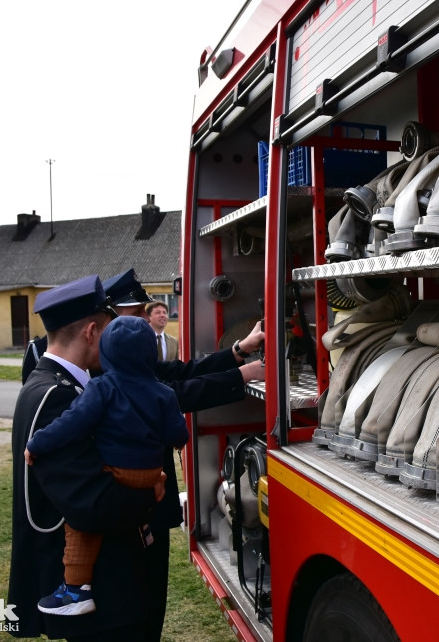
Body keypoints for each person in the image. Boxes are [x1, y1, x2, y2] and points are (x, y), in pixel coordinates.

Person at [103, 267, 265, 640]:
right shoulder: (109, 370)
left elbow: (180, 370)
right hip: (135, 506)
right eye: (138, 313)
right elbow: (175, 394)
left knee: (150, 598)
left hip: (147, 505)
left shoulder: (122, 358)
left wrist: (239, 351)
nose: (146, 319)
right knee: (139, 603)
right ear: (112, 315)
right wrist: (244, 374)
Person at [8, 275, 165, 641]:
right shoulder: (56, 395)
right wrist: (149, 493)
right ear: (92, 333)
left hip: (107, 590)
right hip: (103, 598)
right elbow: (88, 503)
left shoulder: (60, 384)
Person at [24, 315, 189, 616]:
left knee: (79, 526)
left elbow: (71, 424)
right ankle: (145, 530)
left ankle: (75, 590)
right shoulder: (163, 392)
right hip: (151, 474)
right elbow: (179, 434)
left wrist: (37, 443)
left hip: (116, 473)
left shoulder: (101, 387)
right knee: (146, 494)